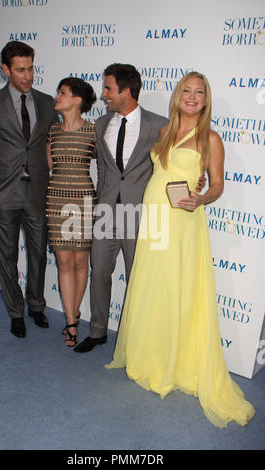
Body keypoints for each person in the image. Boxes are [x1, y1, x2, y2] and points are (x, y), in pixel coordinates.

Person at [105, 72, 255, 427]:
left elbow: (217, 184)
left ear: (206, 100)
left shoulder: (212, 140)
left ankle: (173, 362)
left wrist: (201, 197)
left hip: (184, 221)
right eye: (186, 90)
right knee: (152, 287)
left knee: (177, 290)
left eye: (199, 92)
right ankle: (148, 356)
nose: (191, 96)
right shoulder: (164, 132)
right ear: (177, 96)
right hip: (154, 217)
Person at [74, 63, 204, 353]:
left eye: (108, 88)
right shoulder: (101, 124)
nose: (104, 94)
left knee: (140, 278)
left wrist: (199, 178)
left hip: (144, 216)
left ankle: (137, 338)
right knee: (100, 273)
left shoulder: (159, 125)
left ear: (126, 91)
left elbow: (178, 161)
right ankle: (97, 332)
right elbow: (105, 170)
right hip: (106, 213)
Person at [0, 41, 55, 338]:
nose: (28, 76)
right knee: (6, 256)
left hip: (37, 192)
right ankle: (15, 311)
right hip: (4, 193)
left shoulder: (47, 103)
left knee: (38, 254)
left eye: (31, 68)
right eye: (20, 70)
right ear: (5, 69)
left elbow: (54, 143)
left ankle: (36, 305)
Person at [46, 77, 97, 347]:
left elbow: (114, 167)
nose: (57, 96)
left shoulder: (93, 131)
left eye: (63, 93)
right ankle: (70, 321)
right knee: (64, 262)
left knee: (80, 263)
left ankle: (74, 314)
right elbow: (47, 166)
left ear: (77, 100)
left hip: (84, 202)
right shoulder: (52, 131)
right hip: (56, 201)